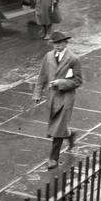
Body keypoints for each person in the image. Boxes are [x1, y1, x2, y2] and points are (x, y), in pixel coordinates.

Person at [32, 31, 82, 170]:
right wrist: (37, 93)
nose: (57, 46)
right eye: (55, 44)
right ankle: (70, 135)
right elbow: (42, 75)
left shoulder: (73, 59)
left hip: (66, 98)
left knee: (58, 128)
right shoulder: (48, 57)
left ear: (65, 43)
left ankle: (53, 158)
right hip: (53, 97)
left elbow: (78, 81)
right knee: (59, 127)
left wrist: (61, 83)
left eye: (60, 43)